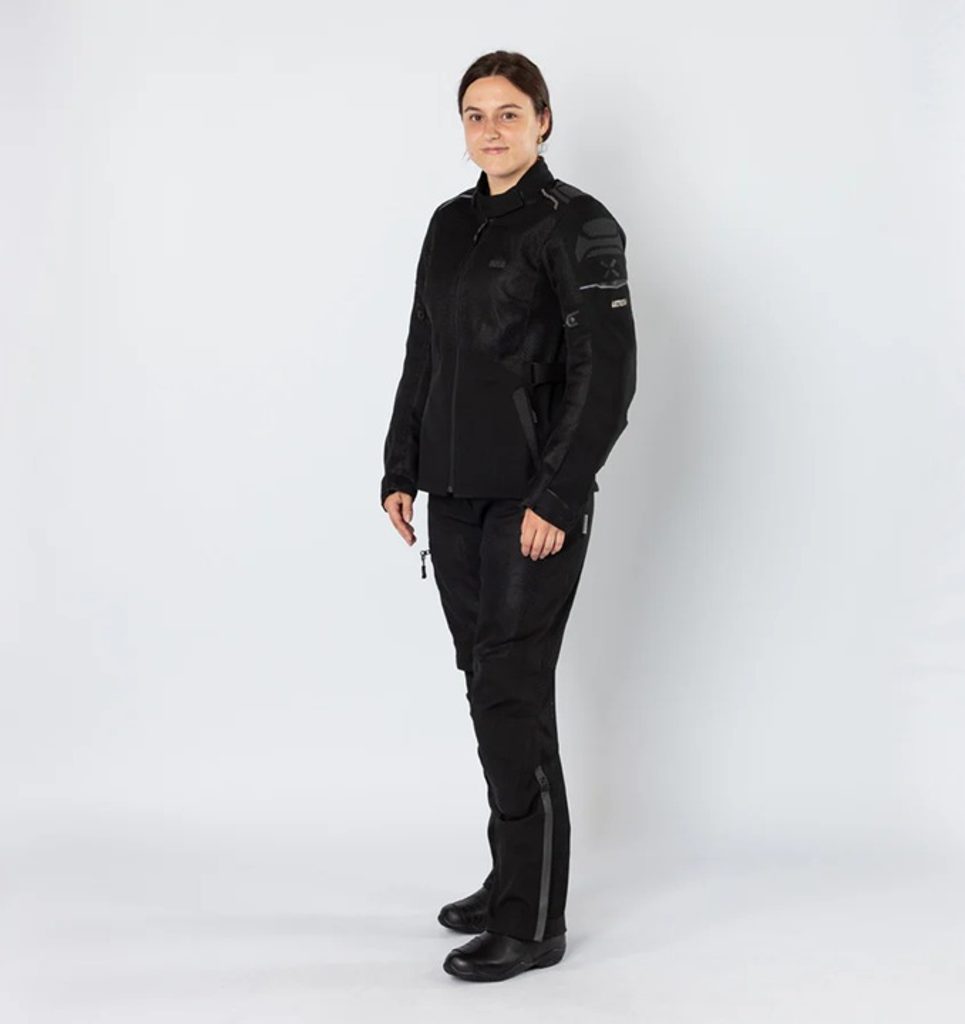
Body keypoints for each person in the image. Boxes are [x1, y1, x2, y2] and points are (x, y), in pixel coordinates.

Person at [379, 49, 637, 982]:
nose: (490, 130)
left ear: (543, 121)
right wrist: (401, 466)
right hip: (454, 499)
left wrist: (557, 496)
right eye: (475, 114)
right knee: (490, 690)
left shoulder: (578, 224)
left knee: (510, 695)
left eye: (509, 113)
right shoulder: (451, 225)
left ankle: (533, 923)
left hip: (534, 504)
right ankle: (511, 882)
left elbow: (607, 375)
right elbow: (426, 349)